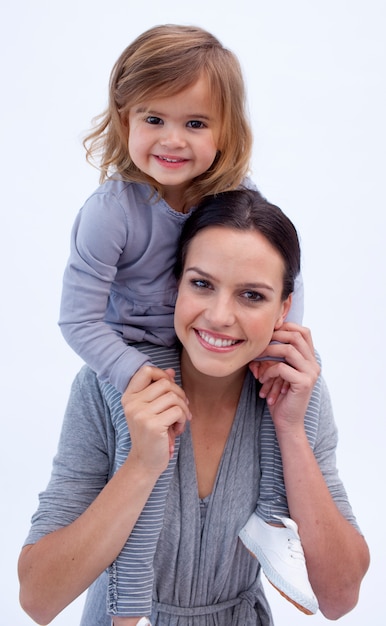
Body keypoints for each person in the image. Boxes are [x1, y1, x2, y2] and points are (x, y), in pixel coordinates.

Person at [58, 24, 314, 622]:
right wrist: (137, 375)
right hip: (140, 356)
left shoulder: (234, 196)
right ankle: (127, 606)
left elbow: (282, 276)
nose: (173, 140)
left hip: (209, 345)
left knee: (271, 404)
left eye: (195, 124)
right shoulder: (111, 212)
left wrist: (272, 350)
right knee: (147, 467)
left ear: (226, 131)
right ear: (124, 119)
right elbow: (77, 320)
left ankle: (275, 520)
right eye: (155, 119)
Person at [18, 189, 369, 626]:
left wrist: (292, 432)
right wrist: (142, 465)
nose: (220, 315)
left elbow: (339, 598)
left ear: (284, 308)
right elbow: (37, 598)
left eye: (252, 296)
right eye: (202, 284)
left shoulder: (298, 393)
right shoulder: (104, 387)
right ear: (175, 285)